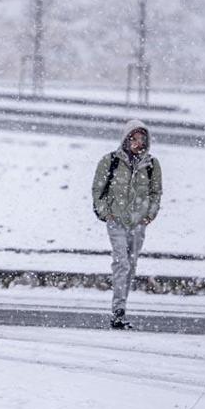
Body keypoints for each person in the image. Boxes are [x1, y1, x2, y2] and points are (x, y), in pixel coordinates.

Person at [91, 120, 162, 330]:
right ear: (126, 138)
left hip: (138, 223)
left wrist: (149, 216)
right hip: (117, 220)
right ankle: (118, 311)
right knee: (121, 263)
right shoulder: (110, 161)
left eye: (142, 138)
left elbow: (155, 192)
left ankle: (122, 307)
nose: (138, 142)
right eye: (134, 138)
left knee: (131, 265)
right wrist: (107, 214)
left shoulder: (151, 165)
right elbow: (97, 190)